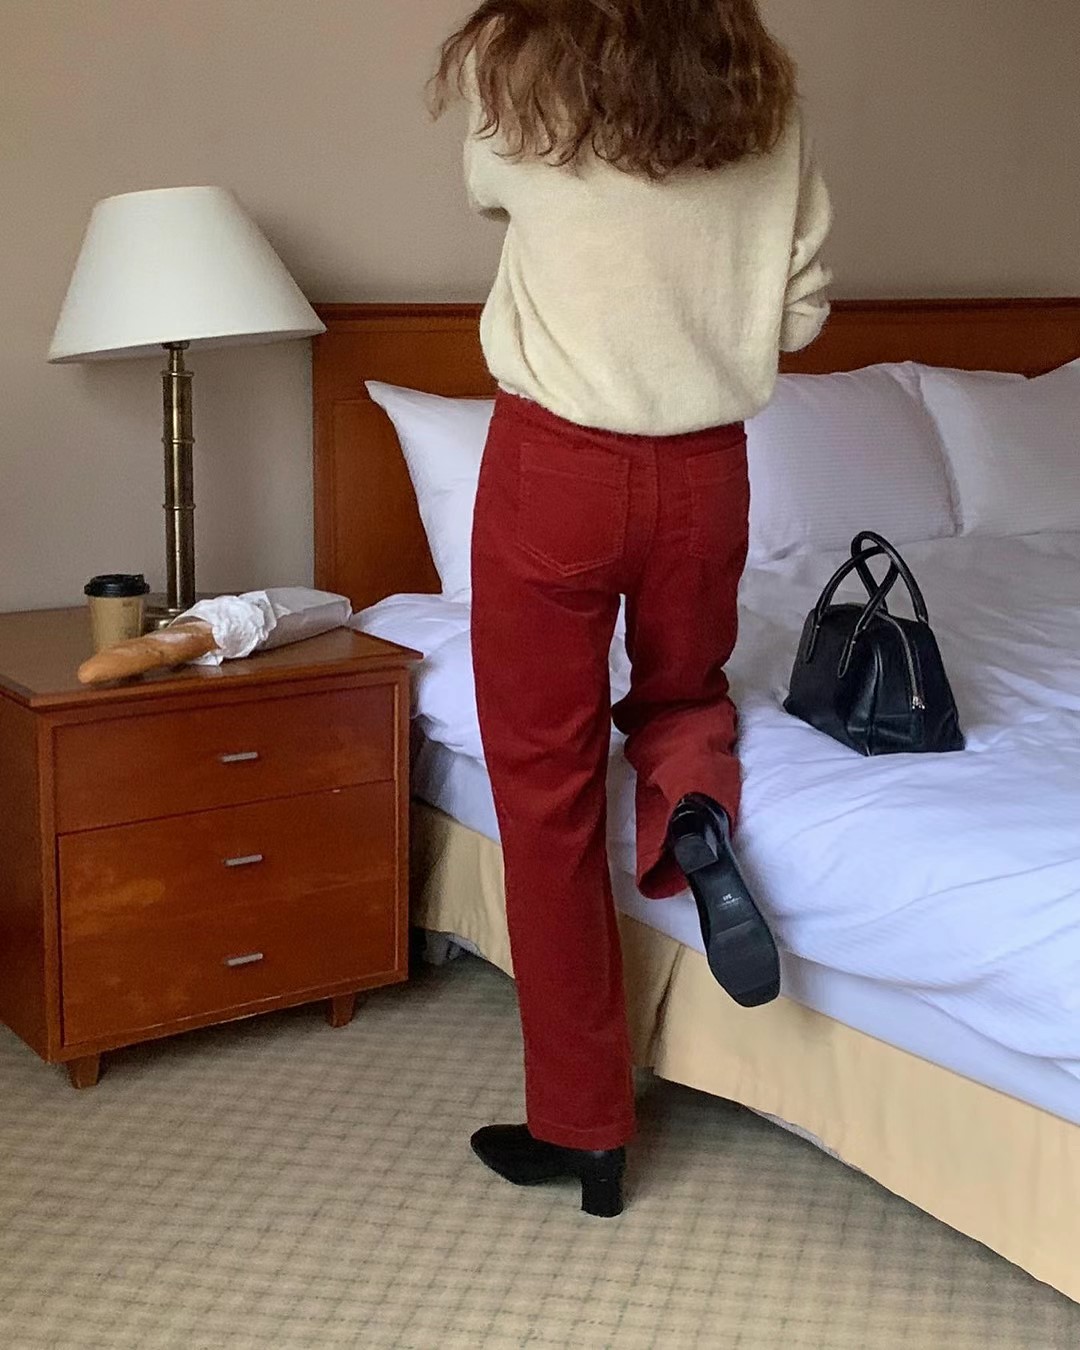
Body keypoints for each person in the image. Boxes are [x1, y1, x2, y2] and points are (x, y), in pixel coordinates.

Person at [431, 0, 832, 1218]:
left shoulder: (518, 77)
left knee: (546, 786)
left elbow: (488, 193)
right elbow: (802, 302)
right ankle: (693, 809)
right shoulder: (764, 97)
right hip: (707, 473)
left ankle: (586, 1127)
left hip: (555, 468)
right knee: (683, 695)